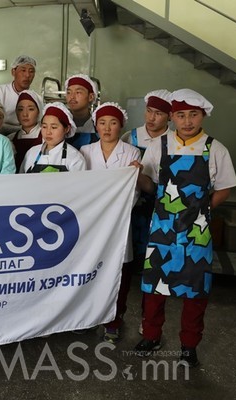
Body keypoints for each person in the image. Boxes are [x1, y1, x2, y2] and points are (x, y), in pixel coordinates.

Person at [133, 89, 236, 367]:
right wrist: (137, 175)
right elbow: (150, 185)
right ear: (172, 117)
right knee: (154, 287)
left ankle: (189, 346)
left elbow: (224, 188)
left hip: (197, 233)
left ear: (203, 116)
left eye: (193, 115)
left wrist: (202, 211)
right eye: (181, 115)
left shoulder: (214, 148)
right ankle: (151, 336)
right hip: (162, 229)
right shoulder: (160, 145)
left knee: (195, 290)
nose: (187, 121)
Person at [80, 102, 141, 343]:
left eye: (113, 123)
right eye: (102, 123)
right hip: (91, 222)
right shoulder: (86, 151)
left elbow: (133, 191)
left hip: (119, 221)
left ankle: (114, 320)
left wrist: (114, 210)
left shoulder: (131, 153)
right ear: (95, 126)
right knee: (90, 269)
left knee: (119, 272)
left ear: (121, 126)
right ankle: (87, 317)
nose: (107, 128)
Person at [121, 90, 174, 276]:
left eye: (158, 113)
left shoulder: (173, 142)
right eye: (149, 111)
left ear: (170, 117)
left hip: (158, 205)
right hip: (130, 203)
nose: (151, 118)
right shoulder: (130, 137)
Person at [20, 102, 86, 173]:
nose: (48, 132)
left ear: (67, 129)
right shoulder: (31, 153)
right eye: (44, 127)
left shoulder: (75, 158)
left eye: (54, 127)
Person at [0, 55, 37, 134]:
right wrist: (20, 130)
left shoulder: (35, 97)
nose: (27, 75)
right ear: (13, 72)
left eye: (31, 71)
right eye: (23, 70)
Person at [9, 90, 43, 170]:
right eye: (20, 109)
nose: (25, 114)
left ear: (39, 111)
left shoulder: (46, 137)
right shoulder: (10, 139)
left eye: (30, 109)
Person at [64, 74, 99, 150]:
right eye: (69, 92)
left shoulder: (99, 126)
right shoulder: (60, 124)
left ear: (91, 97)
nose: (72, 97)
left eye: (78, 92)